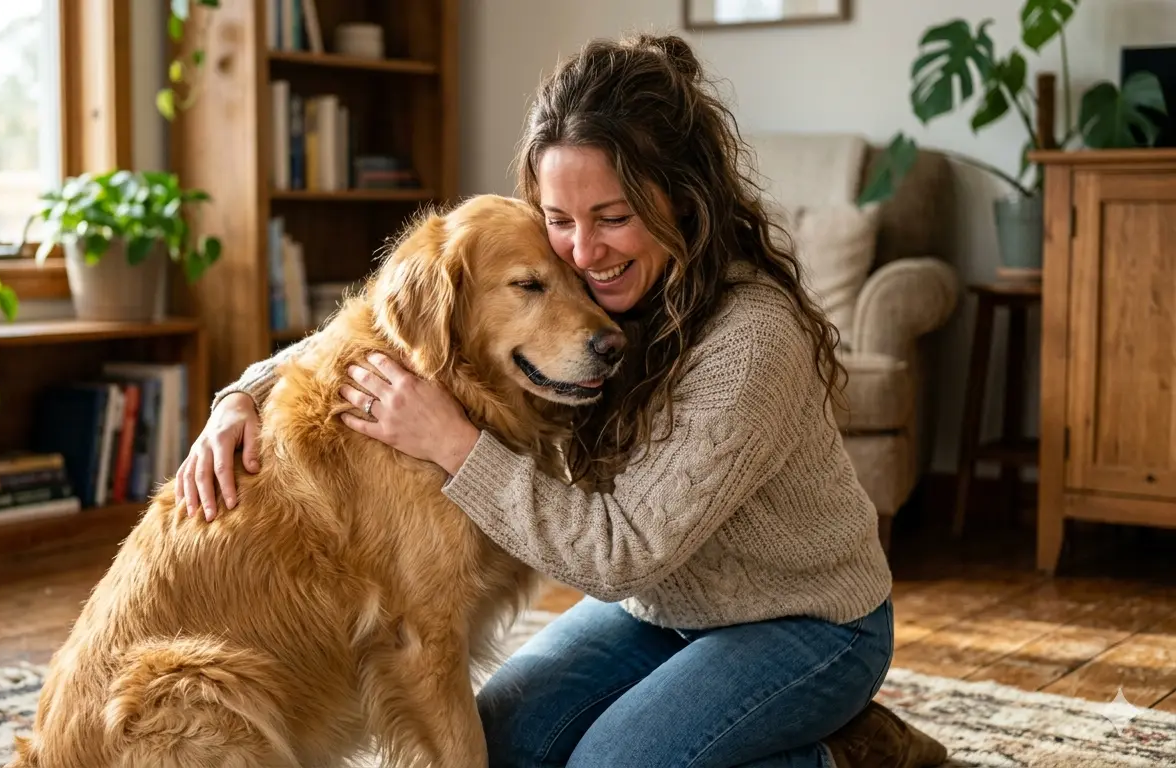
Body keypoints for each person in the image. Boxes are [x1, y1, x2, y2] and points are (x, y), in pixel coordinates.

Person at [176, 32, 949, 768]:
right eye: (560, 223)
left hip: (804, 621)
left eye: (613, 218)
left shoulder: (750, 342)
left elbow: (618, 554)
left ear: (679, 199)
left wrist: (452, 443)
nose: (584, 252)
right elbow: (373, 324)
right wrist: (242, 395)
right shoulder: (593, 291)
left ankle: (842, 751)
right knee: (507, 744)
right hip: (665, 607)